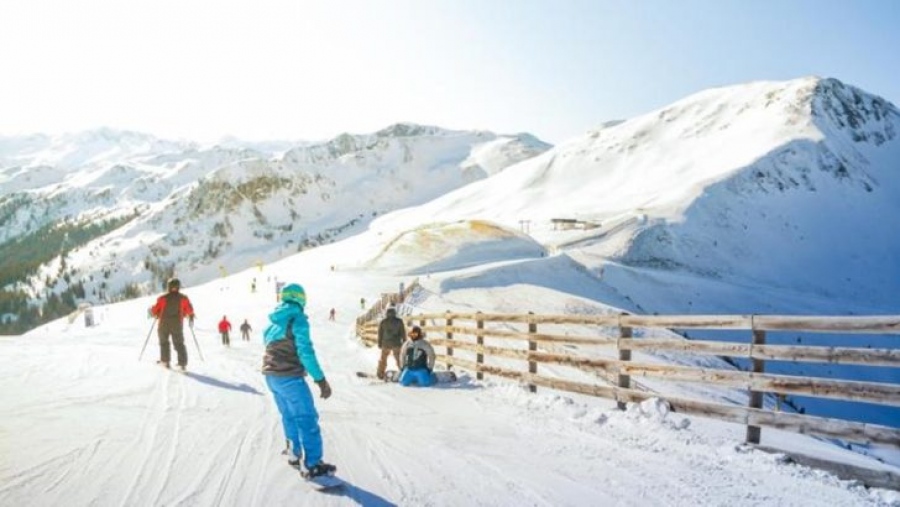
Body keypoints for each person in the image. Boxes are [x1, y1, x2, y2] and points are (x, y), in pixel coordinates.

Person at [262, 283, 336, 479]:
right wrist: (320, 379)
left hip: (271, 377)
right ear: (301, 299)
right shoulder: (298, 319)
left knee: (288, 415)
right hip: (289, 377)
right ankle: (312, 465)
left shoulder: (272, 323)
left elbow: (267, 346)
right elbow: (305, 352)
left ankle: (294, 452)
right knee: (306, 417)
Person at [149, 277, 195, 370]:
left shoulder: (162, 298)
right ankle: (182, 364)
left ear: (168, 287)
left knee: (164, 342)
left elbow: (155, 310)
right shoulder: (183, 298)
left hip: (163, 324)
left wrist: (152, 311)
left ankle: (165, 361)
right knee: (179, 343)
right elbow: (189, 310)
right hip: (177, 325)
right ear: (178, 287)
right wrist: (190, 316)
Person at [376, 307, 405, 379]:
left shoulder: (383, 322)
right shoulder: (399, 321)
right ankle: (404, 372)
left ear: (387, 313)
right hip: (396, 343)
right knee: (399, 358)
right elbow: (403, 333)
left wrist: (379, 343)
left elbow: (380, 333)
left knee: (383, 359)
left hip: (385, 344)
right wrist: (404, 342)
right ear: (395, 313)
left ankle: (380, 373)